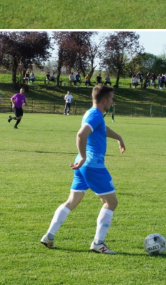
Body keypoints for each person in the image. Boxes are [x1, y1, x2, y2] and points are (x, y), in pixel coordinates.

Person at [40, 85, 126, 254]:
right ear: (104, 100)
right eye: (111, 99)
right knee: (111, 202)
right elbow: (81, 134)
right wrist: (85, 157)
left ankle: (49, 236)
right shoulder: (95, 115)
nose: (112, 102)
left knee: (72, 201)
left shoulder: (92, 113)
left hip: (81, 165)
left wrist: (118, 137)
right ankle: (98, 243)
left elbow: (100, 128)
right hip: (93, 165)